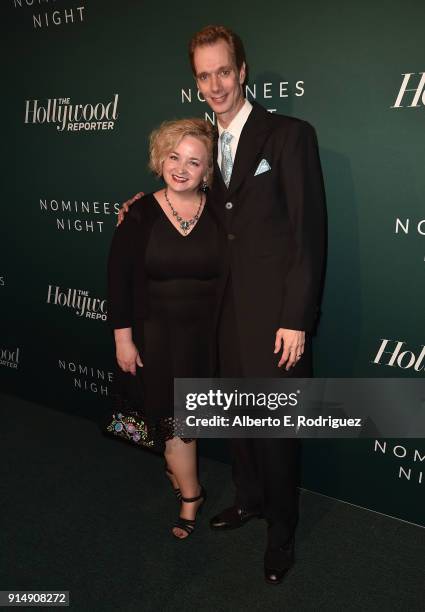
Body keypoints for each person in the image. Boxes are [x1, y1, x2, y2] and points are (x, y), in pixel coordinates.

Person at [118, 25, 326, 584]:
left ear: (242, 71)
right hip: (220, 317)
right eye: (204, 75)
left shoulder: (289, 134)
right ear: (197, 81)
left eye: (223, 72)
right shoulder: (203, 148)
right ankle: (250, 500)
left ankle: (281, 533)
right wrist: (144, 205)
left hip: (275, 320)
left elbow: (309, 237)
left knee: (278, 433)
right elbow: (191, 201)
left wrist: (295, 319)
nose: (215, 84)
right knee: (236, 421)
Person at [108, 118, 220, 539]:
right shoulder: (138, 213)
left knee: (183, 422)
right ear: (161, 158)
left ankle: (182, 479)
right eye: (174, 156)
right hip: (154, 336)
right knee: (174, 421)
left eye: (194, 161)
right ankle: (192, 494)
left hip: (205, 338)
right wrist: (123, 339)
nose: (181, 168)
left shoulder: (223, 213)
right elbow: (117, 280)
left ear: (208, 170)